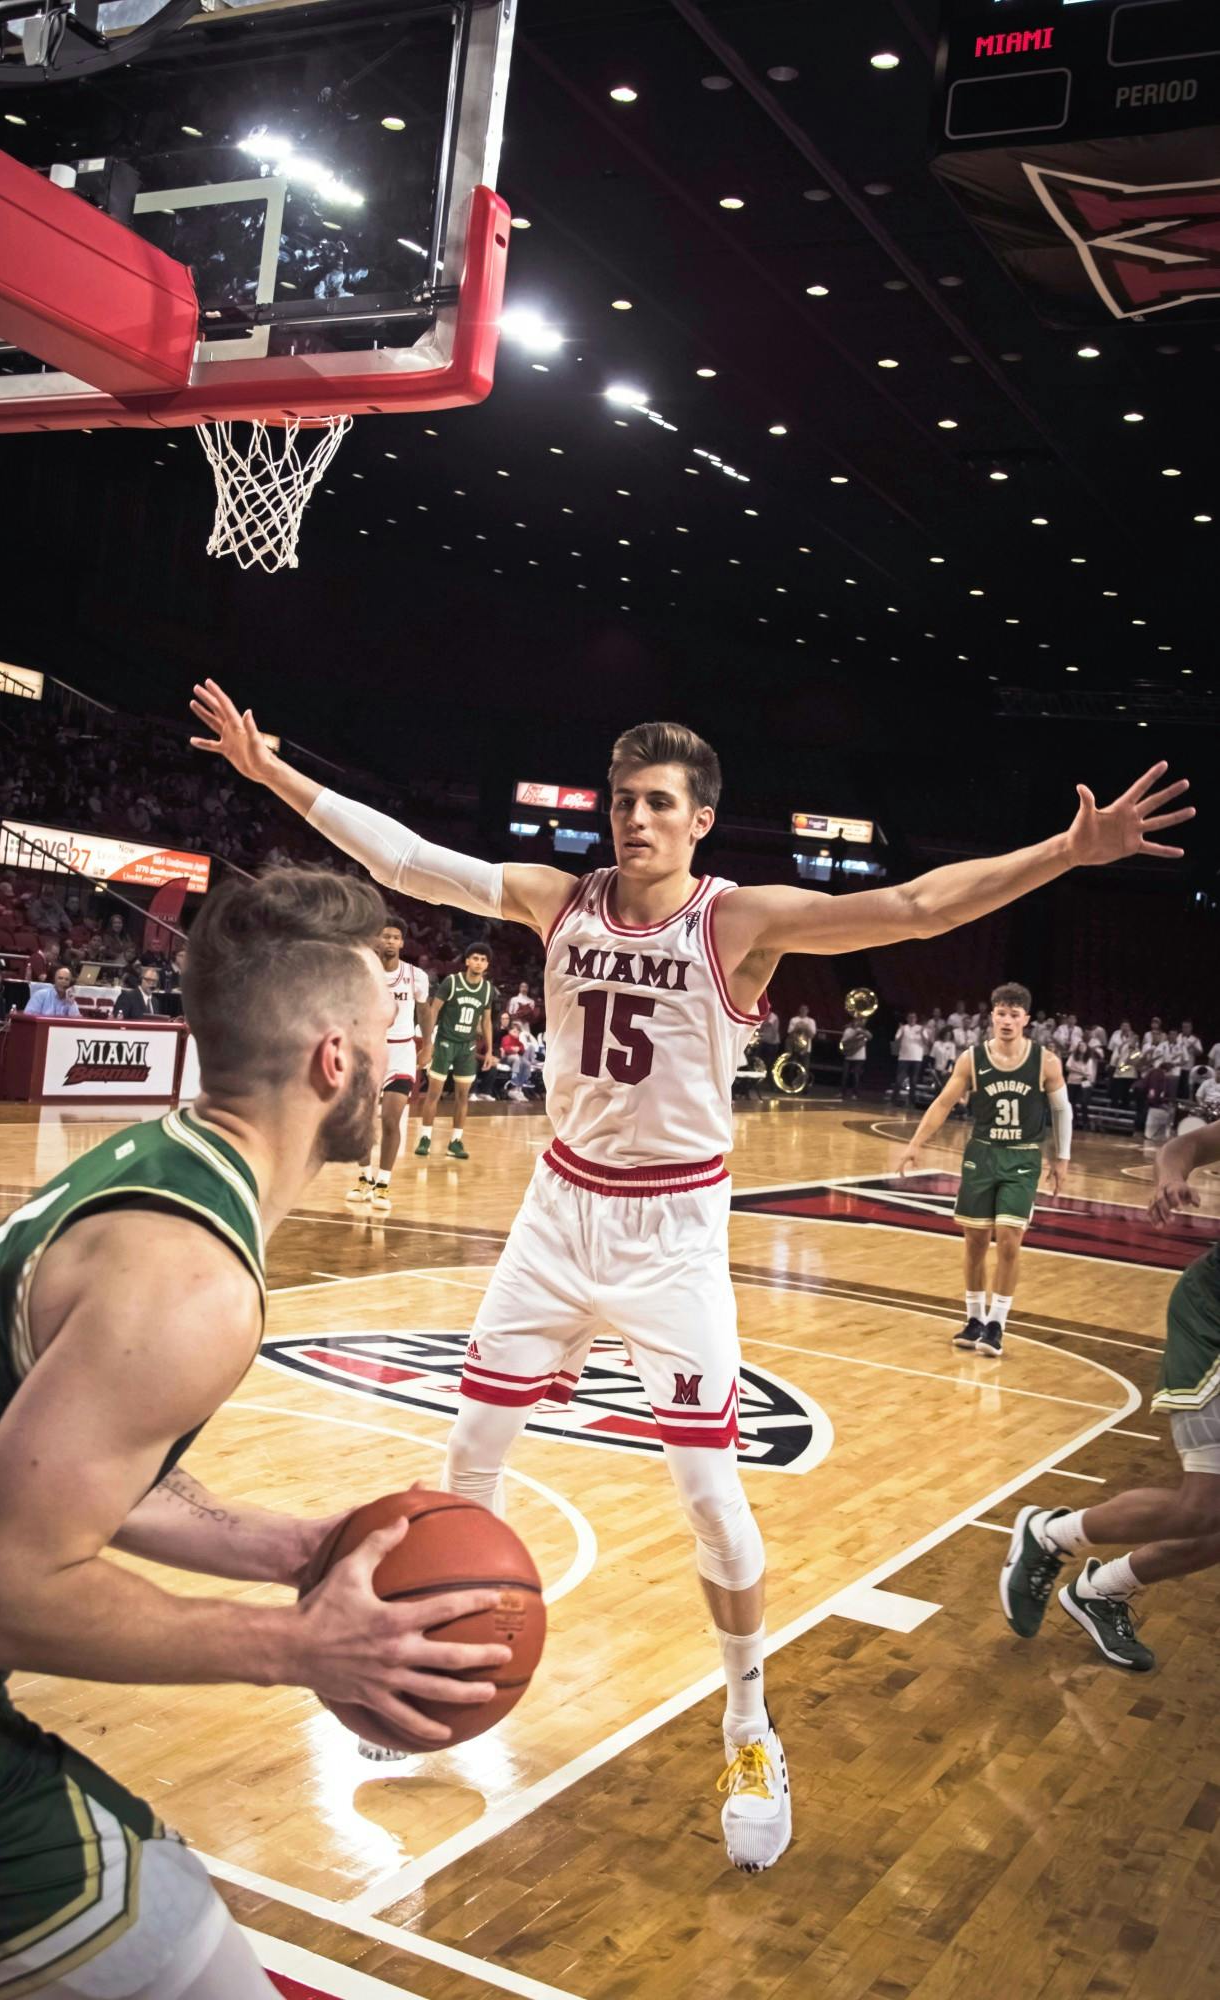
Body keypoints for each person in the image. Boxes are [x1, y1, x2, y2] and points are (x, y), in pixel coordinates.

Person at [189, 677, 1192, 1875]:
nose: (634, 819)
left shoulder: (735, 922)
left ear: (701, 818)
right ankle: (438, 1675)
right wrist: (274, 775)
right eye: (622, 800)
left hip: (672, 1237)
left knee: (712, 1501)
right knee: (467, 1459)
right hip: (556, 1215)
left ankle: (748, 1721)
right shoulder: (558, 898)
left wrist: (1064, 854)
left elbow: (918, 905)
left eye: (658, 802)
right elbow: (408, 859)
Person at [0, 866, 512, 1998]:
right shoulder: (194, 1283)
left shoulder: (156, 1162)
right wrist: (299, 1645)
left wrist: (282, 1546)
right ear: (336, 1060)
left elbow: (56, 1469)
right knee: (195, 1964)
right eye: (385, 1032)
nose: (395, 1055)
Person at [999, 1117, 1220, 1672]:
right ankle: (1050, 1535)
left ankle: (1103, 1591)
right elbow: (1188, 1144)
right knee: (1201, 1508)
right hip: (1212, 1319)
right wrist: (1169, 1177)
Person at [898, 983, 1076, 1360]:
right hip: (982, 1155)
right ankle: (974, 1318)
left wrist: (1062, 1158)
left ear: (1026, 1019)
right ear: (991, 1016)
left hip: (1023, 1156)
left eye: (1014, 1014)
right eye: (1001, 1013)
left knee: (1009, 1238)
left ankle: (997, 1323)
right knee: (975, 1242)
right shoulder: (971, 1059)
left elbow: (1062, 1111)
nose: (1007, 1020)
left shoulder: (1045, 1061)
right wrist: (915, 1143)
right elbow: (944, 1103)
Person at [347, 914, 430, 1214]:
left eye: (395, 937)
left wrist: (428, 1044)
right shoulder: (363, 973)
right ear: (376, 940)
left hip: (402, 1052)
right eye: (385, 936)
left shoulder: (415, 976)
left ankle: (383, 1184)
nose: (390, 941)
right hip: (369, 1051)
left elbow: (425, 1011)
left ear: (402, 943)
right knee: (363, 1120)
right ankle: (363, 1178)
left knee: (391, 1119)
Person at [414, 945, 498, 1161]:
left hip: (467, 1047)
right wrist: (428, 1042)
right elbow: (434, 1010)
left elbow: (486, 1021)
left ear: (487, 965)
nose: (479, 962)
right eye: (475, 958)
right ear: (467, 961)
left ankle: (455, 1141)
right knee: (434, 1094)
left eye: (483, 960)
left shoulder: (487, 989)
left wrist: (489, 1050)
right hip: (444, 1043)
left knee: (462, 1096)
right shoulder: (451, 982)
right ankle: (425, 1138)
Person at [891, 1013, 926, 1106]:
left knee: (913, 1081)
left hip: (917, 1058)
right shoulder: (903, 1028)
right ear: (907, 1018)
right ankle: (893, 1100)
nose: (912, 1019)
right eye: (910, 1017)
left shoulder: (921, 1028)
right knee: (899, 1079)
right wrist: (902, 1032)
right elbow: (896, 1041)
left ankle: (911, 1102)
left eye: (913, 1017)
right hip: (904, 1057)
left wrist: (922, 1033)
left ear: (916, 1018)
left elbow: (927, 1042)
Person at [1065, 1038, 1097, 1129]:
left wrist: (1075, 1071)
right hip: (1072, 1081)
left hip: (1084, 1082)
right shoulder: (1073, 1056)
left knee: (1084, 1102)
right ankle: (1074, 1120)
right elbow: (1067, 1067)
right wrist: (1080, 1072)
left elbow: (1088, 1073)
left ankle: (1085, 1122)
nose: (1081, 1047)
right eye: (1080, 1046)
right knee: (1071, 1102)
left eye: (1083, 1046)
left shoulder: (1089, 1060)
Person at [839, 1012, 870, 1099]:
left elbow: (870, 1037)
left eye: (859, 1021)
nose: (857, 1023)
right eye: (855, 1021)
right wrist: (854, 1036)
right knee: (845, 1075)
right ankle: (842, 1092)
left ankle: (855, 1094)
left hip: (860, 1057)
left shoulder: (864, 1031)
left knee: (856, 1076)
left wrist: (861, 1032)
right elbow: (844, 1042)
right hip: (849, 1055)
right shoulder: (848, 1030)